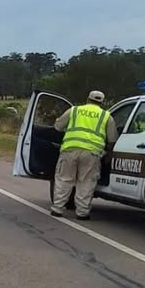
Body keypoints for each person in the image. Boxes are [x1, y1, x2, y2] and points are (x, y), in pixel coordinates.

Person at [50, 90, 117, 220]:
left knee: (64, 179)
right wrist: (107, 153)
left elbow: (57, 126)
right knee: (86, 182)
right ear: (102, 102)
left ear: (88, 99)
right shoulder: (106, 116)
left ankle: (57, 209)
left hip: (70, 150)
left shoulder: (74, 110)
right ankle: (82, 213)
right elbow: (112, 139)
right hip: (92, 154)